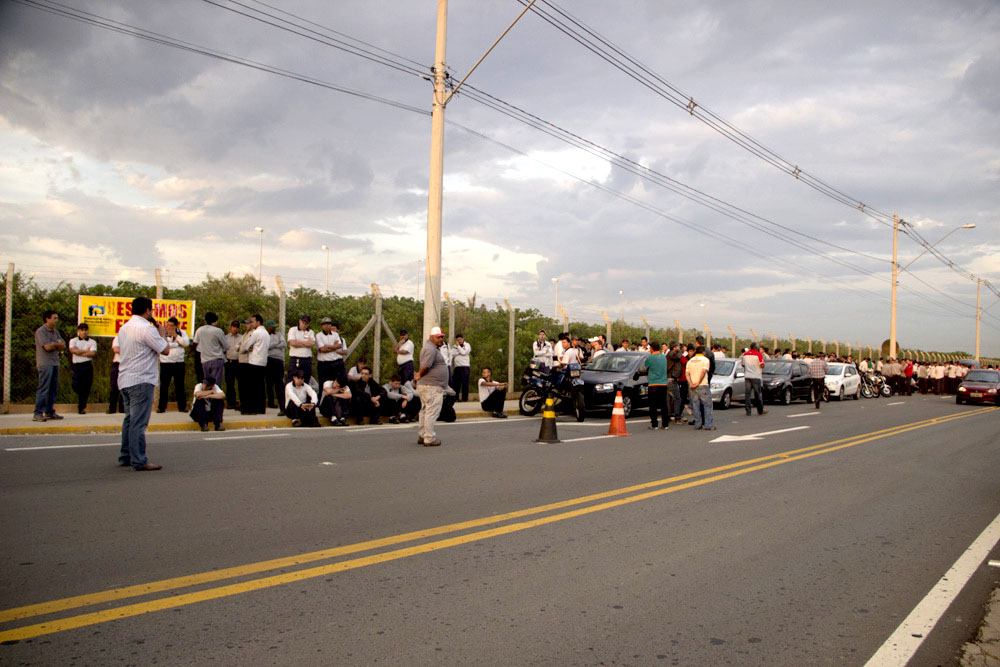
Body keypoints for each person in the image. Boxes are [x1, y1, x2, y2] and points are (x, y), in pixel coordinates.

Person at [117, 296, 170, 471]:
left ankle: (126, 455)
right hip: (141, 379)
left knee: (130, 420)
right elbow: (165, 350)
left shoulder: (124, 328)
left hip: (125, 378)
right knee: (139, 422)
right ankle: (139, 460)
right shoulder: (147, 329)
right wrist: (163, 335)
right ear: (147, 310)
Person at [415, 326, 448, 446]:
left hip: (428, 386)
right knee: (431, 411)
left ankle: (422, 435)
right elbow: (425, 366)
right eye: (438, 337)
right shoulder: (431, 349)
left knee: (425, 411)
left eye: (442, 337)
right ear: (432, 337)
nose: (441, 339)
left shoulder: (431, 348)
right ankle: (429, 438)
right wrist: (419, 375)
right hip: (431, 387)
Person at [33, 310, 66, 422]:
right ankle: (38, 412)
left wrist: (55, 344)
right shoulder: (41, 331)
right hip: (45, 363)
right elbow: (47, 347)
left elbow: (63, 345)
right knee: (44, 388)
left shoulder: (55, 331)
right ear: (47, 319)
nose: (56, 320)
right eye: (54, 318)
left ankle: (49, 411)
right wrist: (56, 344)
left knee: (53, 389)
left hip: (55, 362)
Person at [156, 317, 189, 413]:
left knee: (180, 385)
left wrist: (175, 336)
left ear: (176, 326)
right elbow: (162, 344)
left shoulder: (182, 332)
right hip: (166, 362)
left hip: (179, 362)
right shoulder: (162, 333)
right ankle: (161, 407)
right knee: (164, 386)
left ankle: (182, 407)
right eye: (168, 325)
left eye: (172, 326)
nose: (169, 327)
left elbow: (186, 343)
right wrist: (177, 344)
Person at [192, 312, 227, 397]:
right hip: (217, 359)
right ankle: (216, 400)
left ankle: (206, 400)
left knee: (206, 383)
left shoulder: (200, 330)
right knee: (216, 383)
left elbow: (195, 343)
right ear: (215, 321)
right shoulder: (218, 331)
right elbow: (226, 345)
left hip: (205, 360)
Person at [243, 314, 270, 414]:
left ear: (258, 322)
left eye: (253, 321)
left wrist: (249, 347)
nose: (252, 323)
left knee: (252, 387)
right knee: (261, 386)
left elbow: (246, 345)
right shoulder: (266, 333)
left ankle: (252, 408)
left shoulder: (256, 333)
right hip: (263, 362)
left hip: (254, 361)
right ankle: (261, 408)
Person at [68, 322, 97, 414]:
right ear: (78, 331)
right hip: (77, 365)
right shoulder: (73, 341)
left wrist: (79, 351)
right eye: (82, 330)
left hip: (87, 365)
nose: (84, 332)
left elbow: (92, 353)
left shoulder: (92, 341)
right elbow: (72, 350)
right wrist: (86, 352)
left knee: (86, 387)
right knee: (76, 385)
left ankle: (81, 407)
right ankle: (81, 399)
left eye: (85, 330)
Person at [686, 345, 714, 430]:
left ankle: (698, 424)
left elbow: (687, 373)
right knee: (707, 405)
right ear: (703, 352)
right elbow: (703, 371)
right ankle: (708, 424)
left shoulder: (690, 361)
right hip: (703, 385)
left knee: (695, 405)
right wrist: (698, 381)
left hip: (693, 386)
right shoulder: (705, 360)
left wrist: (691, 383)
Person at [643, 341, 669, 430]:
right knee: (663, 405)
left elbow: (645, 368)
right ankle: (665, 424)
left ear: (652, 348)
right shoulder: (664, 357)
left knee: (653, 405)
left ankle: (654, 424)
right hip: (663, 384)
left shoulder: (650, 358)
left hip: (653, 384)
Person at [316, 317, 346, 387]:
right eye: (324, 324)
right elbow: (322, 349)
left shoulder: (335, 334)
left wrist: (327, 346)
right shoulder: (319, 335)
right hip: (323, 364)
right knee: (323, 384)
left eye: (328, 324)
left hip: (334, 363)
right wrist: (334, 346)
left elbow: (339, 345)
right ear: (322, 326)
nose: (326, 326)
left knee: (334, 384)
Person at [264, 320, 286, 413]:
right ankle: (271, 402)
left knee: (279, 383)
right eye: (273, 326)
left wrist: (274, 345)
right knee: (269, 382)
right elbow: (266, 346)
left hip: (279, 360)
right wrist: (277, 345)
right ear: (268, 327)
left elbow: (284, 344)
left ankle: (282, 404)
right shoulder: (265, 335)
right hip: (269, 359)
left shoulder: (279, 334)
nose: (274, 328)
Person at [287, 314, 316, 382]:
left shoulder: (310, 332)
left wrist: (298, 342)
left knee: (306, 379)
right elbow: (292, 343)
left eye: (306, 323)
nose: (304, 325)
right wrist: (306, 343)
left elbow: (312, 343)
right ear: (299, 321)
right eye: (303, 322)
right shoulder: (293, 330)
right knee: (292, 379)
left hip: (307, 359)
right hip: (296, 358)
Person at [742, 342, 768, 416]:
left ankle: (748, 411)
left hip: (747, 375)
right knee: (757, 394)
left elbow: (743, 364)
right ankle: (760, 410)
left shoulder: (745, 354)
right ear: (756, 348)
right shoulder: (758, 354)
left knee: (747, 394)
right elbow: (762, 365)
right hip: (756, 376)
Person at [223, 319, 241, 409]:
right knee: (230, 383)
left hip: (239, 362)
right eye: (234, 326)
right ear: (231, 327)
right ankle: (231, 403)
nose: (235, 329)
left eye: (237, 327)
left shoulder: (241, 337)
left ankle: (242, 402)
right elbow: (222, 350)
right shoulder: (225, 338)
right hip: (229, 362)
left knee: (241, 383)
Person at [666, 341, 685, 424]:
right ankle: (677, 417)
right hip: (671, 379)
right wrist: (679, 351)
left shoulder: (670, 354)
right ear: (674, 347)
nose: (679, 348)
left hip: (670, 378)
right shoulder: (672, 354)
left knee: (669, 399)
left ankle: (669, 416)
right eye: (677, 346)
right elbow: (679, 357)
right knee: (677, 398)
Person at [450, 334, 472, 402]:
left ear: (463, 339)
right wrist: (460, 350)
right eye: (458, 340)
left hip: (465, 366)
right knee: (456, 383)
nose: (459, 341)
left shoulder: (467, 345)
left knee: (465, 384)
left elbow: (464, 352)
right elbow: (452, 354)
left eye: (460, 339)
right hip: (457, 367)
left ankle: (464, 399)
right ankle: (455, 398)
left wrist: (459, 348)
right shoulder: (454, 346)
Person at [106, 334, 124, 414]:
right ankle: (112, 408)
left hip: (127, 364)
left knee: (125, 387)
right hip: (117, 363)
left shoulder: (133, 339)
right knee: (114, 387)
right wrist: (129, 351)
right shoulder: (118, 338)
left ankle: (122, 408)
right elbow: (116, 349)